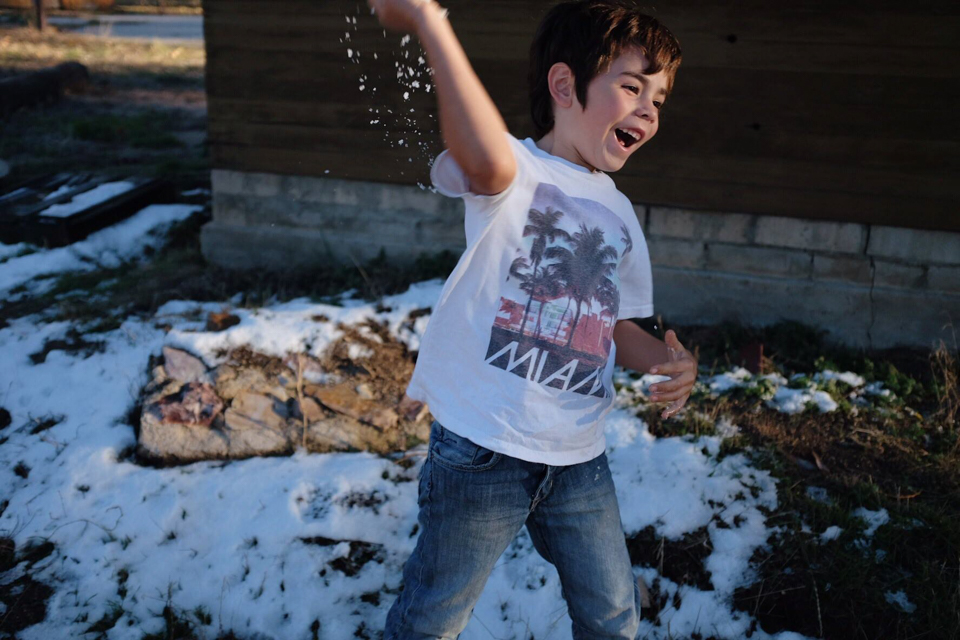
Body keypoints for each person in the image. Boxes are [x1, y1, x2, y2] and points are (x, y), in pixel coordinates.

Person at [369, 0, 697, 637]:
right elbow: (483, 157)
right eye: (632, 87)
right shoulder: (517, 173)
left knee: (613, 617)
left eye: (659, 98)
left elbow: (619, 327)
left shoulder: (622, 215)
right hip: (483, 450)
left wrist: (667, 361)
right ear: (565, 85)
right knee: (434, 618)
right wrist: (429, 22)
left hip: (579, 457)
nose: (649, 110)